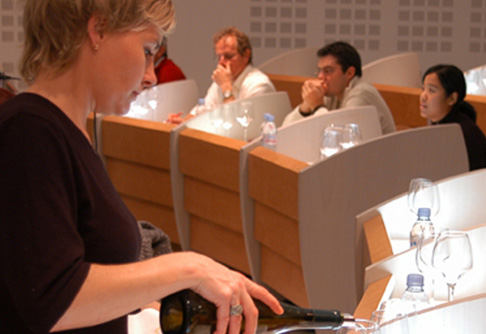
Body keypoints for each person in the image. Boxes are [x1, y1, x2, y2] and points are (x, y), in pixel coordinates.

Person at [0, 1, 282, 333]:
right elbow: (49, 298)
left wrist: (152, 300)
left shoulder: (66, 132)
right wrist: (188, 267)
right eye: (148, 50)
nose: (151, 77)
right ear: (98, 30)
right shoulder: (30, 130)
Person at [282, 41, 397, 134]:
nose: (321, 77)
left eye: (328, 71)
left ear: (349, 73)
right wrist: (306, 106)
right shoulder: (332, 92)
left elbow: (338, 139)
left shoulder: (361, 94)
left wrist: (317, 106)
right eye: (319, 71)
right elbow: (285, 129)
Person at [166, 26, 274, 124]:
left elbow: (238, 129)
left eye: (229, 56)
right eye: (219, 57)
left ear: (246, 55)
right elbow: (200, 114)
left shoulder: (260, 85)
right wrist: (182, 122)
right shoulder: (221, 81)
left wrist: (227, 89)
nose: (221, 63)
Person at [420, 64, 486, 171]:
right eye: (423, 89)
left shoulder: (465, 133)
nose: (423, 96)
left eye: (431, 90)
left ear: (452, 98)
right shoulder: (440, 126)